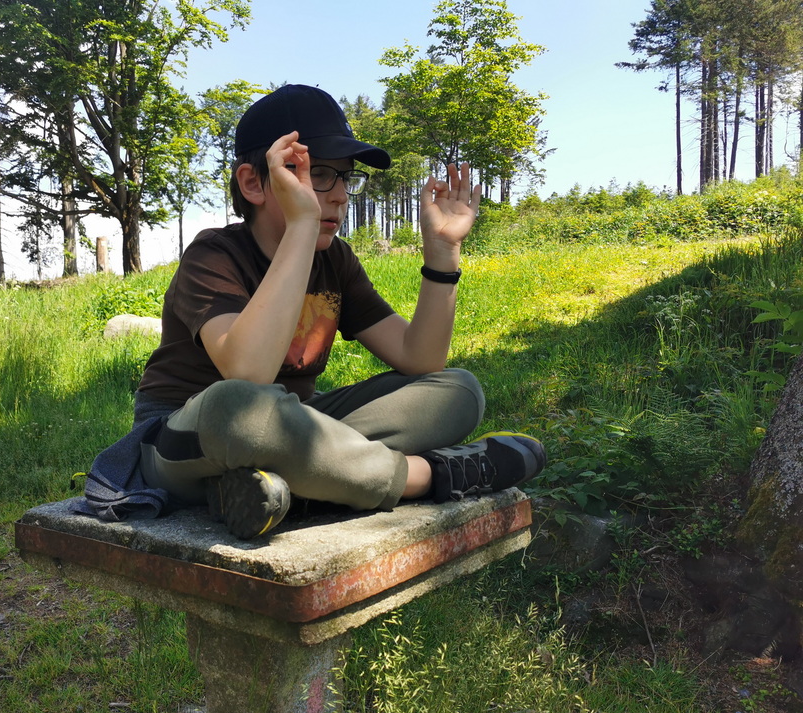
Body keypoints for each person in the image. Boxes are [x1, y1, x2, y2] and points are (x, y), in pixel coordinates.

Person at [75, 84, 545, 539]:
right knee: (239, 407)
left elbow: (420, 359)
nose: (339, 195)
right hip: (186, 436)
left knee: (457, 390)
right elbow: (248, 374)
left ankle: (280, 490)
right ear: (254, 182)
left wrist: (442, 254)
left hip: (290, 427)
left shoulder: (335, 260)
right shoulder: (214, 255)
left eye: (345, 177)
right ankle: (430, 475)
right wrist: (302, 223)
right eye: (317, 173)